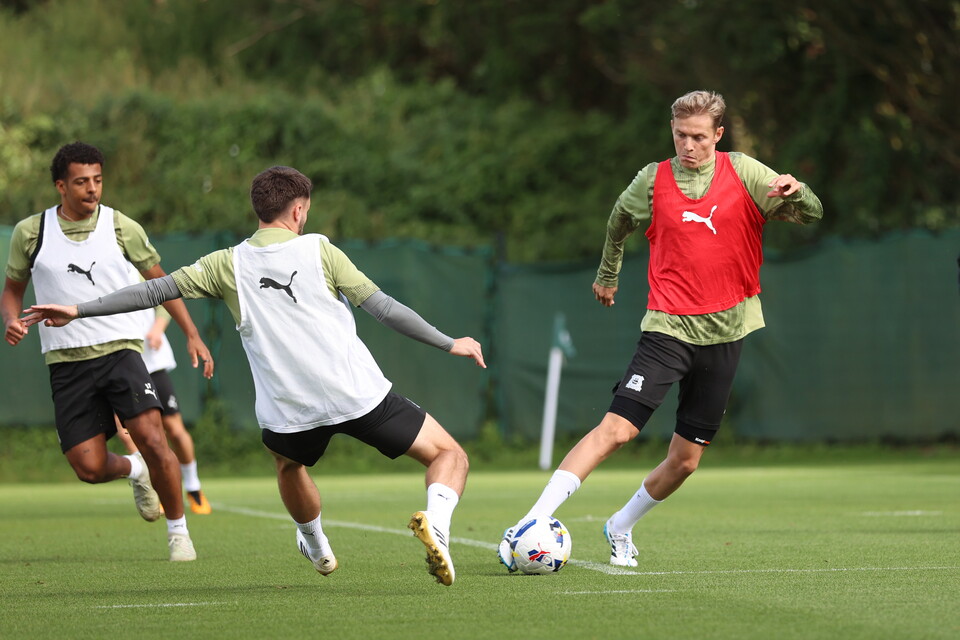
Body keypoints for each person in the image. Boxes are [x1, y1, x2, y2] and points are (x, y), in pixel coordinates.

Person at [23, 165, 486, 586]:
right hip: (357, 394)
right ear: (299, 210)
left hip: (289, 411)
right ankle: (438, 526)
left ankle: (316, 545)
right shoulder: (320, 249)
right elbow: (384, 309)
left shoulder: (226, 263)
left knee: (289, 464)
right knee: (449, 455)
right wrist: (449, 342)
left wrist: (78, 309)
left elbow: (152, 291)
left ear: (259, 209)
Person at [495, 90, 823, 570]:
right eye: (680, 135)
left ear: (718, 135)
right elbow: (618, 221)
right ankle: (529, 522)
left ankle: (620, 526)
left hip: (727, 332)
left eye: (698, 137)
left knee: (685, 461)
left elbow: (811, 214)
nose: (688, 145)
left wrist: (799, 192)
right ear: (672, 131)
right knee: (616, 430)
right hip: (667, 326)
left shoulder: (746, 172)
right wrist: (607, 274)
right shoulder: (652, 179)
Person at [2, 141, 214, 562]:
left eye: (98, 180)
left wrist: (191, 332)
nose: (92, 189)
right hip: (66, 361)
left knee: (153, 437)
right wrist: (10, 318)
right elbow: (12, 290)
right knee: (89, 468)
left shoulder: (121, 227)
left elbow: (162, 284)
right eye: (82, 181)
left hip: (121, 352)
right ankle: (135, 470)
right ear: (61, 186)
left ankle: (178, 532)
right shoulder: (31, 232)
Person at [113, 305, 212, 515]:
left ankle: (193, 487)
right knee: (128, 433)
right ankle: (152, 489)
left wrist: (157, 329)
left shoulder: (139, 279)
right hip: (119, 368)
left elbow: (165, 299)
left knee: (175, 429)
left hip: (153, 363)